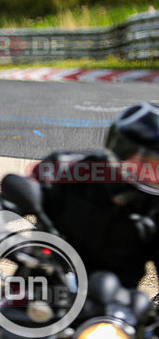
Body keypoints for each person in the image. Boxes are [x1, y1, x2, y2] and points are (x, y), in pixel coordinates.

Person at [32, 102, 159, 288]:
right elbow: (7, 199)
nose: (153, 172)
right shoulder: (67, 169)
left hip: (113, 307)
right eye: (150, 162)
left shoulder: (155, 208)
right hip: (42, 285)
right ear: (123, 151)